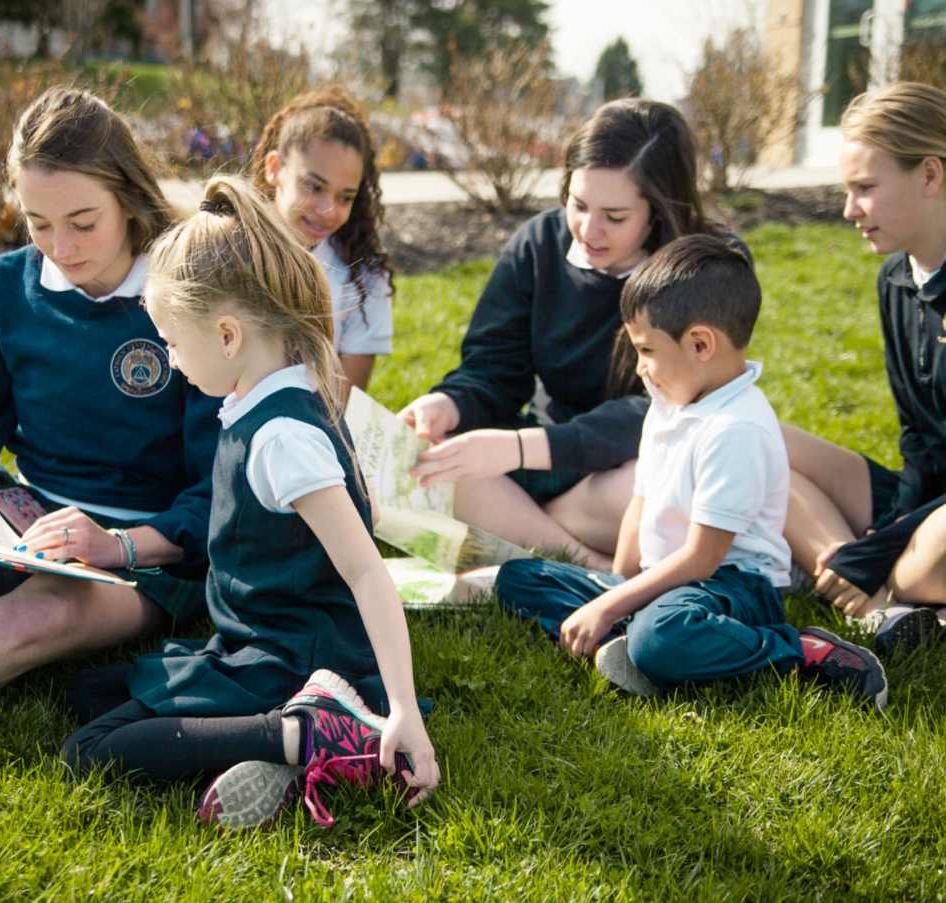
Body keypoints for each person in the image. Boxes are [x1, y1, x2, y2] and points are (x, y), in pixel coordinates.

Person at [60, 176, 439, 832]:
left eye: (174, 343)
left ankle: (309, 734)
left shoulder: (283, 436)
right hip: (256, 638)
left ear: (228, 335)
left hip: (295, 652)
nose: (173, 363)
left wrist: (402, 703)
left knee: (87, 751)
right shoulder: (264, 395)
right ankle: (282, 738)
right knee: (85, 690)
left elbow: (366, 570)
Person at [495, 235, 888, 709]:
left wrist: (608, 606)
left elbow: (703, 559)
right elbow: (640, 504)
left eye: (646, 351)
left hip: (733, 586)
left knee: (663, 638)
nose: (640, 368)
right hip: (670, 580)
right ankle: (630, 642)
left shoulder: (735, 429)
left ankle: (797, 651)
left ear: (701, 343)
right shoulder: (668, 405)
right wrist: (616, 586)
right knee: (519, 578)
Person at [0, 88, 218, 709]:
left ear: (130, 196)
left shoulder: (191, 297)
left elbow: (222, 491)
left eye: (83, 222)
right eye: (38, 223)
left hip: (149, 552)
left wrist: (120, 544)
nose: (60, 246)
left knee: (31, 619)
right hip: (27, 523)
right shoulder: (5, 290)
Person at [400, 98, 748, 571]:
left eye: (616, 216)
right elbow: (494, 366)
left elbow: (673, 410)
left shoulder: (710, 264)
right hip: (546, 447)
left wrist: (518, 452)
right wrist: (448, 404)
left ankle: (524, 530)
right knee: (434, 465)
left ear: (661, 210)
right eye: (578, 205)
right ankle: (596, 569)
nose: (588, 229)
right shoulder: (540, 242)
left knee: (665, 489)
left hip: (635, 465)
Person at [782, 82, 946, 657]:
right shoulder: (896, 280)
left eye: (866, 189)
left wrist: (883, 547)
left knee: (924, 555)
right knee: (761, 444)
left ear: (930, 175)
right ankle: (881, 607)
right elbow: (920, 439)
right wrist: (895, 524)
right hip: (930, 506)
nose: (850, 210)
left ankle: (884, 584)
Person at [250, 86, 394, 393]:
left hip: (311, 434)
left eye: (345, 197)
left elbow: (342, 403)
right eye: (314, 186)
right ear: (275, 169)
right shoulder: (224, 252)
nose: (328, 211)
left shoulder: (364, 278)